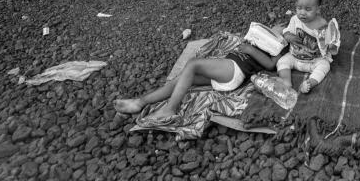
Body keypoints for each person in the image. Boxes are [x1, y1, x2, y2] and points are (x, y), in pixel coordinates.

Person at [113, 40, 281, 121]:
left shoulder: (279, 47)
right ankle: (139, 102)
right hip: (227, 70)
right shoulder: (260, 39)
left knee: (193, 64)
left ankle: (170, 109)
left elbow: (272, 64)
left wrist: (250, 49)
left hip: (234, 70)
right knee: (182, 79)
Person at [278, 0, 340, 93]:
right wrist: (289, 37)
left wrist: (330, 45)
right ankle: (286, 82)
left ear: (318, 9)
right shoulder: (294, 20)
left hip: (314, 61)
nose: (302, 12)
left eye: (308, 9)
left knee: (325, 66)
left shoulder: (322, 25)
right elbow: (286, 32)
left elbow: (329, 44)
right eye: (299, 8)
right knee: (282, 61)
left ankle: (309, 83)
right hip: (294, 57)